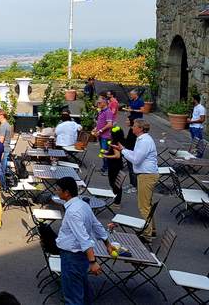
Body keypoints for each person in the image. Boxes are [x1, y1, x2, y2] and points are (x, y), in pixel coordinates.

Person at [54, 176, 113, 304]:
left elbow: (84, 238)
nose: (56, 191)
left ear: (67, 192)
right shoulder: (83, 205)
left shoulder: (73, 212)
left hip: (71, 258)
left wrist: (93, 262)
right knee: (84, 292)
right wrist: (107, 243)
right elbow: (96, 225)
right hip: (80, 258)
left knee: (73, 297)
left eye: (58, 189)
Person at [110, 119, 160, 239]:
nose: (132, 128)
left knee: (143, 206)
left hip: (146, 175)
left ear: (140, 129)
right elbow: (135, 155)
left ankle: (147, 235)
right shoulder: (143, 139)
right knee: (147, 204)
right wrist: (123, 150)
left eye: (134, 126)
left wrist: (123, 151)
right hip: (147, 174)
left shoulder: (144, 141)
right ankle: (151, 230)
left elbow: (136, 160)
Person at [92, 97, 114, 175]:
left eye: (99, 103)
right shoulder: (102, 111)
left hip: (106, 136)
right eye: (98, 103)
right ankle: (104, 168)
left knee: (105, 152)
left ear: (105, 103)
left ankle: (107, 170)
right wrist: (96, 128)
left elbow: (110, 124)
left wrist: (100, 130)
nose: (98, 104)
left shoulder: (108, 112)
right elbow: (100, 123)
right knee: (103, 152)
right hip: (101, 135)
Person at [0, 110, 13, 189]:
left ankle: (3, 186)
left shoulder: (3, 126)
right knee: (3, 169)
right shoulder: (7, 125)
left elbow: (1, 140)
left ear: (1, 115)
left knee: (0, 169)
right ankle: (4, 185)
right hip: (6, 148)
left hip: (3, 149)